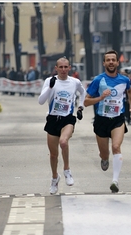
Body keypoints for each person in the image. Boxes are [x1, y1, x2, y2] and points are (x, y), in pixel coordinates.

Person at [84, 50, 131, 193]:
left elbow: (130, 91)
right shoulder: (98, 80)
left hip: (118, 119)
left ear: (117, 62)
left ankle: (115, 181)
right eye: (108, 60)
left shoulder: (124, 80)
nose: (111, 62)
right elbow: (86, 101)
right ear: (104, 63)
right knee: (105, 154)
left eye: (113, 60)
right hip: (101, 120)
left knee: (116, 147)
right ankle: (104, 158)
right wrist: (100, 98)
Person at [38, 57, 86, 195]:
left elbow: (83, 93)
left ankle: (67, 170)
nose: (64, 70)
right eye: (61, 67)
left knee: (63, 142)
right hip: (53, 119)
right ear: (56, 68)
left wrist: (81, 107)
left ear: (70, 68)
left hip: (68, 119)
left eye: (66, 67)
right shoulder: (49, 81)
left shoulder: (75, 82)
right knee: (53, 154)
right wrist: (50, 87)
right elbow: (41, 101)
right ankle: (54, 178)